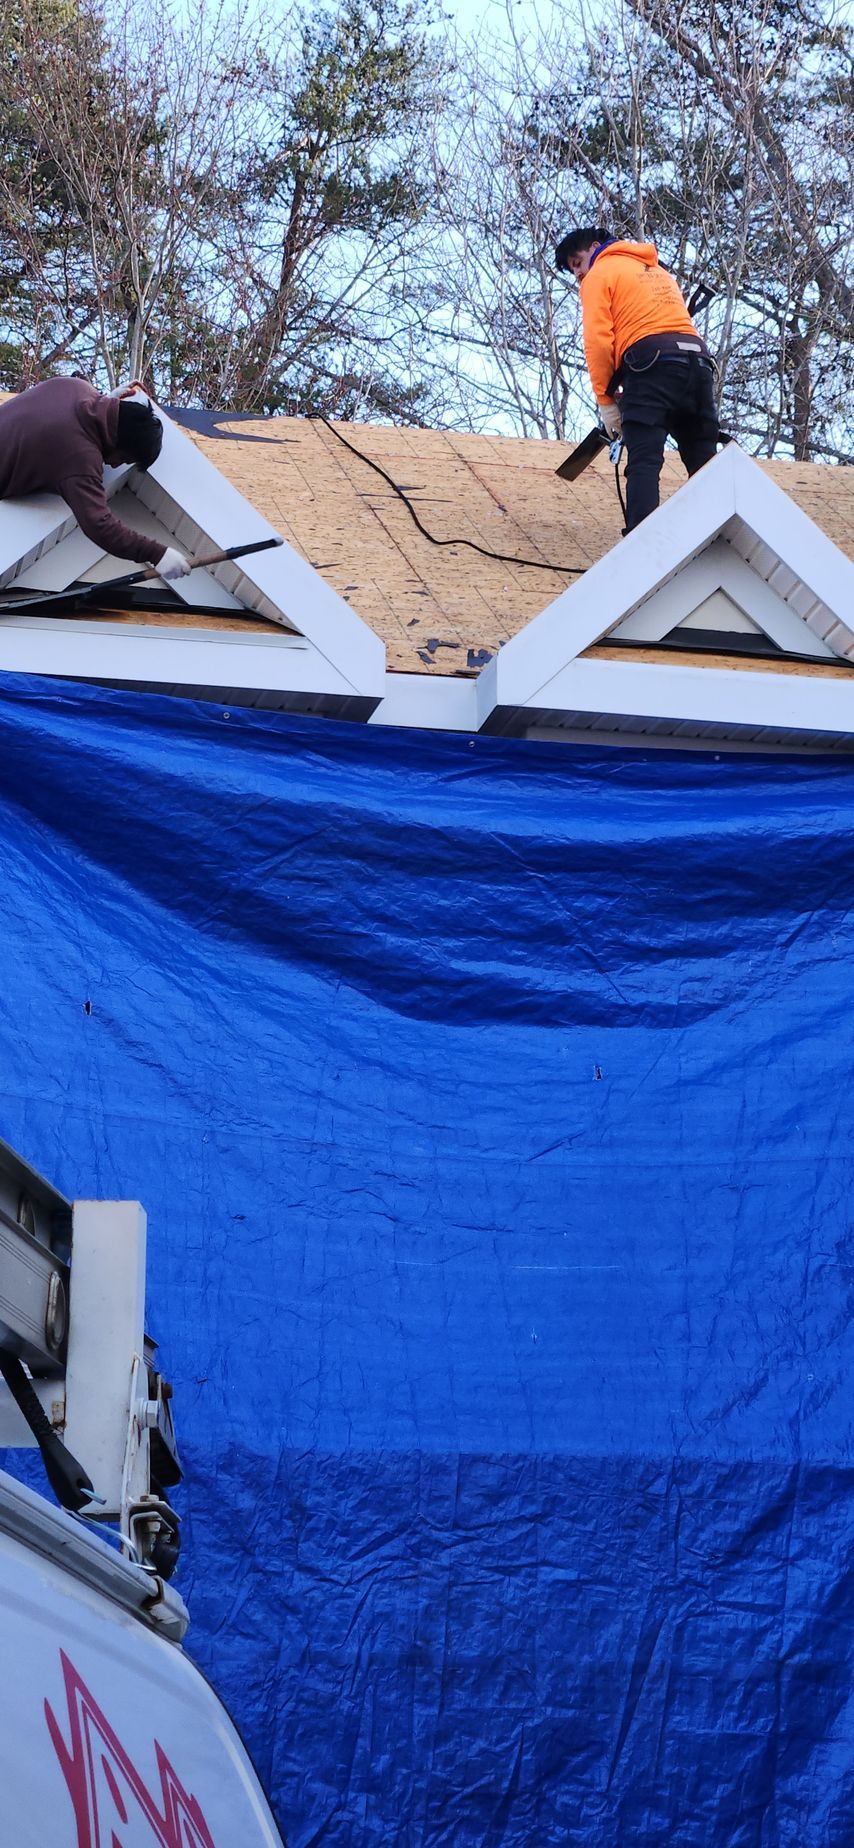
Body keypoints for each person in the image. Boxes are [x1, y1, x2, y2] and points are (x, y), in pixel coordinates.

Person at [554, 226, 720, 532]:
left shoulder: (600, 274)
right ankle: (722, 533)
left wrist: (606, 402)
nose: (577, 273)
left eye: (577, 262)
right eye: (572, 270)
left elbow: (598, 341)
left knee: (644, 458)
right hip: (698, 364)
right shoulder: (657, 271)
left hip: (651, 365)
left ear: (595, 247)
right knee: (704, 459)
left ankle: (641, 547)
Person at [0, 377, 190, 578]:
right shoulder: (78, 457)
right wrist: (157, 554)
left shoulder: (75, 386)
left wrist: (109, 400)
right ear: (120, 441)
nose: (115, 465)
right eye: (124, 459)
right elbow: (100, 526)